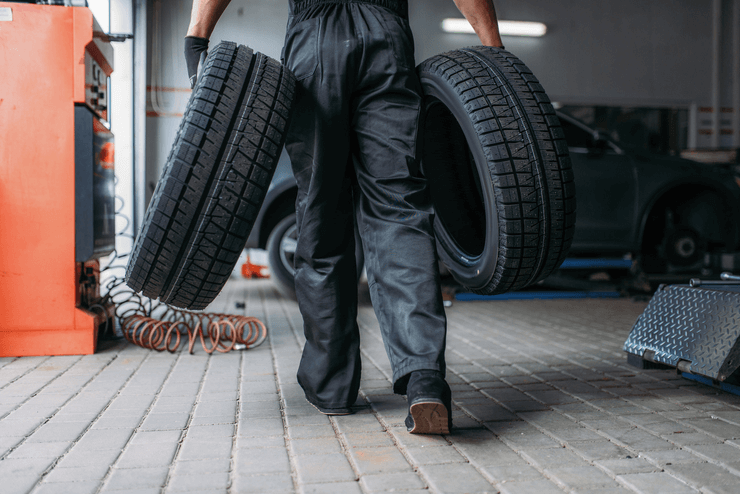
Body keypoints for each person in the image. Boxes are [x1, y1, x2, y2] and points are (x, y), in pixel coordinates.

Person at [185, 0, 502, 434]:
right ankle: (424, 376)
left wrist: (197, 36)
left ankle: (331, 385)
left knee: (320, 210)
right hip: (386, 38)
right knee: (399, 208)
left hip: (314, 39)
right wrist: (495, 52)